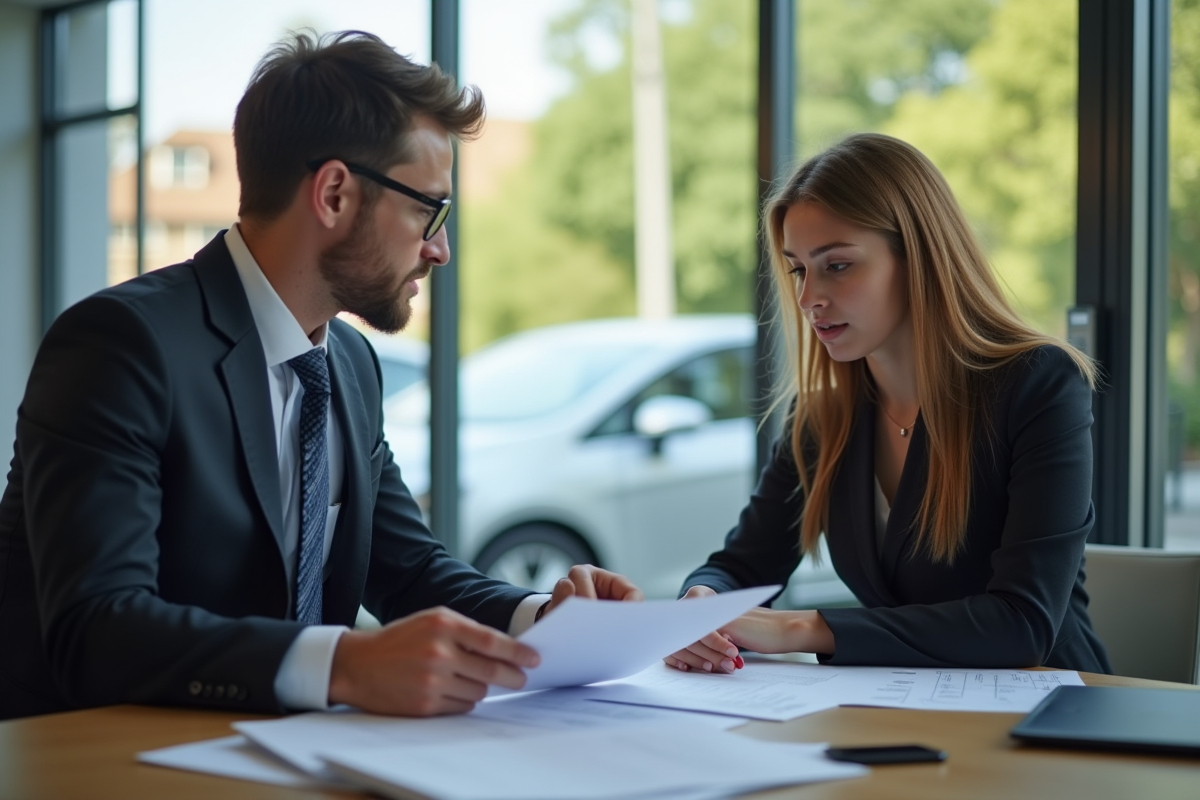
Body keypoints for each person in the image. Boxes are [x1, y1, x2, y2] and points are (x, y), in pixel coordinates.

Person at [0, 30, 641, 723]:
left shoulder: (349, 364)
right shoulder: (124, 346)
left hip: (276, 760)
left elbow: (408, 570)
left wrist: (541, 617)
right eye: (429, 209)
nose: (440, 249)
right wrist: (344, 662)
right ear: (334, 193)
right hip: (95, 762)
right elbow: (97, 628)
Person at [666, 133, 1111, 675]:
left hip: (1048, 718)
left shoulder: (1037, 385)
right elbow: (741, 565)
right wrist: (703, 606)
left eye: (837, 265)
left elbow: (1022, 624)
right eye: (799, 269)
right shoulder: (821, 419)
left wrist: (797, 628)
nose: (808, 299)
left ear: (917, 257)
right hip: (897, 713)